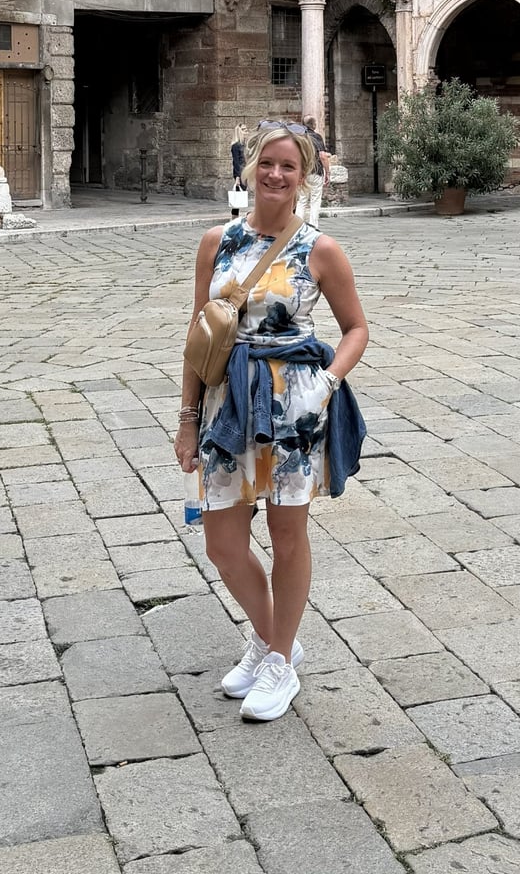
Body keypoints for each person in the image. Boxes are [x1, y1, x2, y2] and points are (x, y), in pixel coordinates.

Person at [174, 120, 368, 722]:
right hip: (225, 402)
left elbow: (357, 329)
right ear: (249, 166)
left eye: (289, 166)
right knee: (222, 544)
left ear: (304, 176)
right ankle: (270, 637)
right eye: (267, 163)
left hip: (292, 407)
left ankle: (279, 661)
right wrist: (185, 418)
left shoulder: (320, 249)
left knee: (288, 537)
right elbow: (199, 334)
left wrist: (327, 383)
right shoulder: (218, 242)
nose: (276, 175)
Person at [294, 115, 330, 228]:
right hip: (316, 171)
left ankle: (297, 227)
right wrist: (328, 172)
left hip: (303, 172)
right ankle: (314, 226)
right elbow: (323, 156)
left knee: (302, 201)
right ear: (314, 125)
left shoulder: (300, 137)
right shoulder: (317, 137)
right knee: (315, 200)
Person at [230, 122, 249, 218]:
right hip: (240, 173)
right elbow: (236, 162)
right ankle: (234, 218)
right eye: (244, 130)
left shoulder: (244, 145)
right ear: (239, 131)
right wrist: (237, 177)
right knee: (237, 197)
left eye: (246, 129)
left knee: (241, 195)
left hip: (246, 172)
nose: (247, 132)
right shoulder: (236, 146)